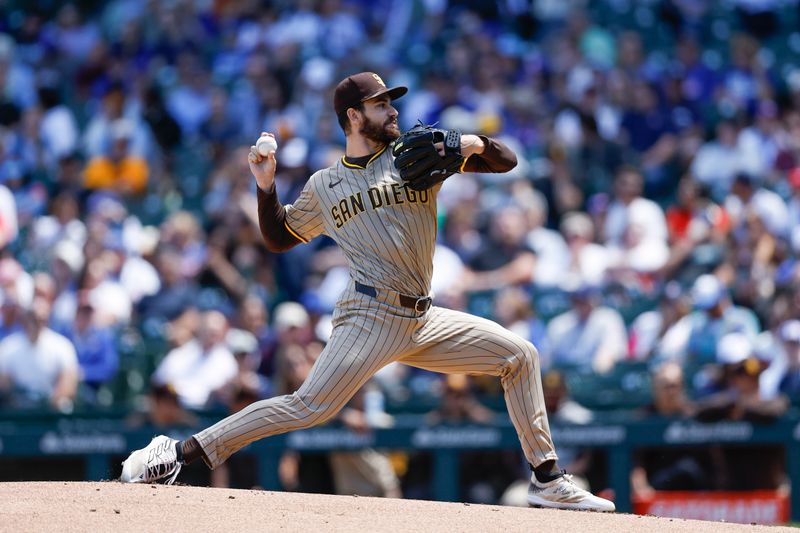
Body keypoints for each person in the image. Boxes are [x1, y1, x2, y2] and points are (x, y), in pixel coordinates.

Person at [120, 72, 614, 512]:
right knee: (308, 406)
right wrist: (266, 187)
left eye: (391, 102)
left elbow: (507, 162)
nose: (393, 109)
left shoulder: (414, 156)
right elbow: (278, 239)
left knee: (521, 355)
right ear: (354, 117)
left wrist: (473, 142)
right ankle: (177, 452)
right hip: (369, 316)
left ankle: (547, 479)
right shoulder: (325, 184)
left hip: (423, 318)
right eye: (381, 104)